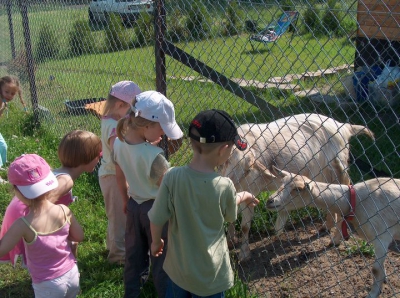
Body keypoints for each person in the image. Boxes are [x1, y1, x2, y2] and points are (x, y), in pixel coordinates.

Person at [148, 109, 260, 297]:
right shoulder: (224, 186)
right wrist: (245, 195)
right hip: (210, 277)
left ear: (192, 143)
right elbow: (230, 214)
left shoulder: (172, 176)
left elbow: (157, 217)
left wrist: (156, 242)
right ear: (223, 150)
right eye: (232, 148)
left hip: (178, 270)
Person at [113, 90, 183, 298]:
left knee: (134, 256)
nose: (164, 134)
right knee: (162, 259)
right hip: (156, 212)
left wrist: (125, 199)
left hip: (134, 206)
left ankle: (132, 292)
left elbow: (119, 175)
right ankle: (166, 293)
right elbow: (167, 190)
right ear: (146, 126)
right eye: (161, 127)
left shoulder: (119, 143)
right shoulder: (155, 157)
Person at [0, 130, 102, 267]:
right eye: (99, 154)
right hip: (25, 213)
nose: (100, 158)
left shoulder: (59, 173)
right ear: (87, 158)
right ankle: (59, 271)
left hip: (19, 209)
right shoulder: (66, 180)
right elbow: (43, 204)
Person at [0, 154, 84, 297]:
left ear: (18, 192)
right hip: (72, 274)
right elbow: (79, 236)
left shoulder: (23, 224)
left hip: (48, 285)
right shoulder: (64, 210)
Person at [98, 80, 141, 265]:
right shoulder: (114, 128)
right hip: (114, 176)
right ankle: (118, 258)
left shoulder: (110, 120)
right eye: (130, 110)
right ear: (119, 105)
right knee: (118, 219)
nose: (132, 115)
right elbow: (119, 154)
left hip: (109, 175)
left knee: (115, 216)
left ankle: (112, 247)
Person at [0, 75, 26, 171]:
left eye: (12, 93)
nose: (9, 95)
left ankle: (1, 164)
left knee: (3, 146)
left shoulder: (3, 101)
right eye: (6, 92)